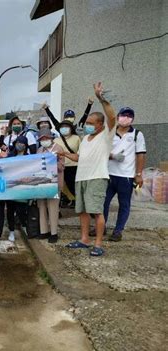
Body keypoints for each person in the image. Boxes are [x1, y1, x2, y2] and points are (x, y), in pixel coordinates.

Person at [62, 82, 117, 257]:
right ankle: (84, 239)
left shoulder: (107, 135)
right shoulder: (85, 139)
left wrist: (102, 99)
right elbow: (80, 157)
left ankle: (98, 243)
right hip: (81, 178)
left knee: (96, 211)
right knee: (83, 211)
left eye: (92, 123)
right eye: (87, 123)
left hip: (97, 178)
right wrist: (63, 154)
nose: (88, 125)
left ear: (101, 124)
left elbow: (112, 118)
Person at [102, 107, 146, 242]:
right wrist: (112, 156)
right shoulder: (110, 132)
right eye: (123, 115)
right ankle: (100, 226)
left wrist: (138, 174)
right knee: (103, 203)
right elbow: (102, 151)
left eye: (129, 116)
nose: (125, 118)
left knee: (124, 204)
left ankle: (118, 231)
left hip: (126, 176)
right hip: (108, 174)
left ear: (132, 119)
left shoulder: (137, 134)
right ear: (118, 117)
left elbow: (141, 155)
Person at [36, 128, 64, 243]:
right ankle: (44, 231)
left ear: (51, 138)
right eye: (42, 139)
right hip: (42, 183)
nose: (44, 140)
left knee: (53, 208)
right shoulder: (39, 150)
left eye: (46, 138)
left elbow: (62, 166)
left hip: (54, 184)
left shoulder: (58, 148)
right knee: (41, 206)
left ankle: (54, 233)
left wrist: (54, 161)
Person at [6, 135, 29, 241]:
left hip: (23, 189)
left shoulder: (30, 158)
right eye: (18, 143)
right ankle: (11, 231)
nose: (20, 145)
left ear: (26, 145)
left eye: (22, 143)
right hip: (11, 188)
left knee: (22, 210)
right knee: (10, 211)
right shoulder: (10, 156)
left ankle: (24, 226)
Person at [54, 120, 81, 207]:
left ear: (71, 128)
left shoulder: (76, 138)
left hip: (73, 166)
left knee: (74, 187)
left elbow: (81, 152)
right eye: (62, 127)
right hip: (59, 167)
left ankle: (82, 204)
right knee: (60, 188)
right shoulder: (55, 140)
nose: (64, 129)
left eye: (66, 127)